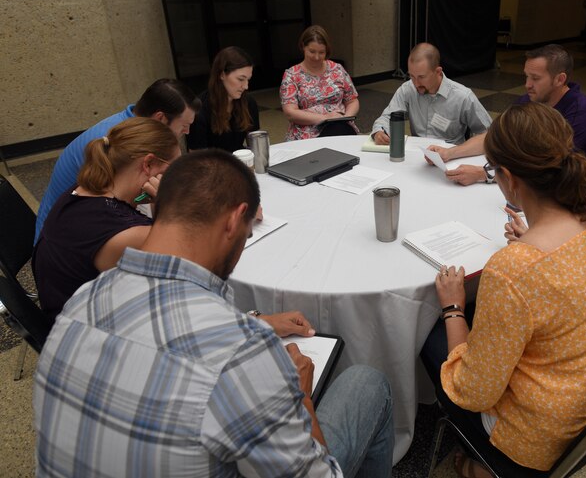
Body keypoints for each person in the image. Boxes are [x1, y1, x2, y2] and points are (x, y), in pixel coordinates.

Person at [33, 149, 394, 478]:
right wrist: (300, 401)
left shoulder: (81, 301)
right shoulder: (242, 354)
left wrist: (257, 321)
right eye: (248, 232)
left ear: (158, 209)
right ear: (235, 220)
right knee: (367, 382)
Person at [420, 103, 586, 476]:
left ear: (507, 177)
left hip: (542, 436)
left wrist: (454, 307)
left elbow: (474, 392)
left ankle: (485, 464)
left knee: (431, 338)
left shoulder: (513, 269)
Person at [32, 117, 181, 320]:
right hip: (84, 338)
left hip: (62, 309)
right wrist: (169, 203)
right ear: (148, 164)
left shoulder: (82, 190)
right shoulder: (129, 234)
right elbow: (185, 270)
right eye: (172, 170)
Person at [35, 78, 199, 243]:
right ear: (160, 118)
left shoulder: (126, 126)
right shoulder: (123, 145)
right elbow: (124, 210)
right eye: (184, 125)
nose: (187, 131)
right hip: (61, 238)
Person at [437, 44, 586, 186]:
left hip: (570, 194)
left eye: (535, 78)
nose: (527, 85)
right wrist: (450, 153)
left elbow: (554, 168)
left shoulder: (581, 113)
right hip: (532, 184)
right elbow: (494, 135)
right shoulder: (529, 100)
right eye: (527, 76)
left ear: (560, 79)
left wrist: (484, 173)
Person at [371, 43, 491, 147]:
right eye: (412, 76)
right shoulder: (408, 89)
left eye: (421, 77)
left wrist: (461, 151)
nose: (416, 83)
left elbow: (489, 134)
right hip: (418, 156)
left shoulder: (462, 96)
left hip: (451, 157)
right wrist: (379, 132)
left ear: (438, 72)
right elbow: (386, 117)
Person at [280, 25, 360, 140]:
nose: (317, 57)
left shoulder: (337, 69)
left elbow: (352, 100)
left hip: (340, 125)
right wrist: (325, 118)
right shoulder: (292, 75)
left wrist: (346, 117)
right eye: (312, 51)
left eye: (321, 52)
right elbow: (290, 112)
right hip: (307, 131)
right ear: (303, 47)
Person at [187, 46, 259, 152]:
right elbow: (197, 158)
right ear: (222, 74)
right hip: (212, 165)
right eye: (241, 79)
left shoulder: (249, 102)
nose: (246, 86)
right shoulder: (200, 109)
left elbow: (255, 145)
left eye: (248, 80)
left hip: (239, 162)